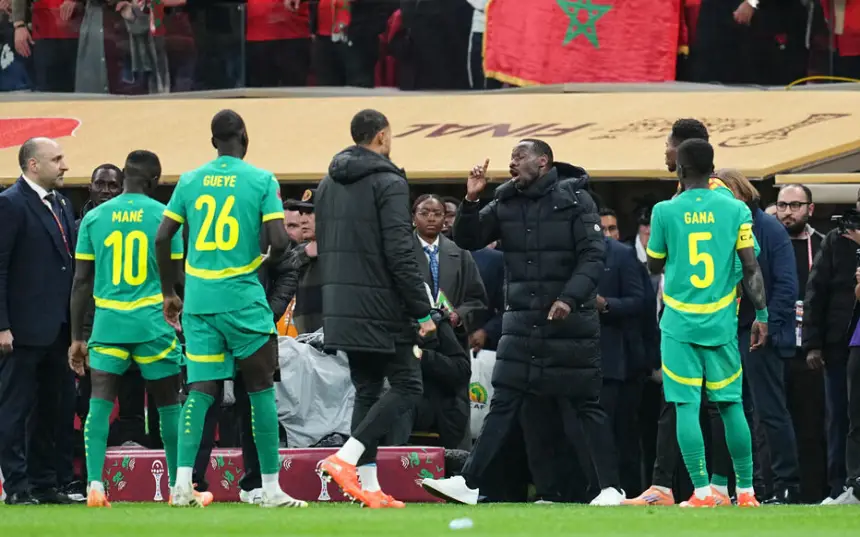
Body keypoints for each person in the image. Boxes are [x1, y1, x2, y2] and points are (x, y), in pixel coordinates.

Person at [422, 139, 625, 506]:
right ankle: (468, 484)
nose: (511, 163)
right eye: (511, 157)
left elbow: (594, 256)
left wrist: (569, 297)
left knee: (585, 405)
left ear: (543, 162)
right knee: (504, 402)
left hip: (570, 325)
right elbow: (468, 239)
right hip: (521, 324)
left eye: (519, 157)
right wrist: (470, 201)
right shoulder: (505, 200)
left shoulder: (577, 199)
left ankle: (611, 487)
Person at [155, 109, 304, 508]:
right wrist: (260, 261)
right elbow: (278, 239)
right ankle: (269, 488)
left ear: (213, 141)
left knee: (200, 392)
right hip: (242, 298)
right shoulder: (260, 179)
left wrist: (171, 291)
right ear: (244, 136)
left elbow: (163, 236)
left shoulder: (189, 180)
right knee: (259, 392)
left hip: (200, 302)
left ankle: (182, 484)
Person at [67, 150, 203, 508]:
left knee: (98, 402)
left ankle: (95, 485)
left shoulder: (94, 218)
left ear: (124, 176)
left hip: (108, 324)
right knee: (168, 405)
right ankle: (178, 488)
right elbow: (177, 277)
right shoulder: (164, 216)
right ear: (155, 181)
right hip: (152, 324)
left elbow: (81, 282)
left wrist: (77, 338)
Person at [315, 109, 435, 509]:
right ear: (382, 136)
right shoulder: (389, 180)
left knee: (367, 389)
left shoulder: (327, 182)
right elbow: (400, 251)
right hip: (382, 304)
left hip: (341, 304)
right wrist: (422, 310)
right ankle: (346, 459)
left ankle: (368, 485)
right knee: (408, 385)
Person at [645, 139, 767, 508]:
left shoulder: (665, 210)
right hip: (722, 322)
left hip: (680, 322)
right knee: (730, 406)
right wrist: (761, 315)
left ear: (680, 170)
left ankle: (701, 492)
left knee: (686, 406)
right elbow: (750, 266)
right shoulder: (735, 209)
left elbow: (653, 265)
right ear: (712, 168)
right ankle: (745, 492)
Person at [707, 169, 800, 504]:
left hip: (758, 331)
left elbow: (787, 284)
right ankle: (753, 487)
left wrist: (769, 324)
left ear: (739, 194)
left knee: (769, 411)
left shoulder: (768, 227)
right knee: (737, 412)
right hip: (730, 330)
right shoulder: (729, 227)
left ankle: (786, 485)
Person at [0, 137, 76, 505]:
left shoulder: (61, 203)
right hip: (21, 330)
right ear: (33, 165)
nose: (64, 166)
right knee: (14, 410)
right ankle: (15, 486)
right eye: (57, 159)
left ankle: (44, 483)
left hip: (58, 329)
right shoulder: (9, 204)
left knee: (52, 409)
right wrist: (1, 325)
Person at [802, 188, 860, 504]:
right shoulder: (836, 241)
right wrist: (812, 344)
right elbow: (816, 293)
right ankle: (840, 486)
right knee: (839, 416)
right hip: (840, 342)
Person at [775, 184, 828, 503]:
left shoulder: (824, 245)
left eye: (795, 205)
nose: (788, 212)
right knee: (772, 422)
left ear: (810, 209)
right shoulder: (765, 244)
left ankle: (813, 493)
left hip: (810, 350)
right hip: (773, 346)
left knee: (811, 425)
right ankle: (775, 488)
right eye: (782, 205)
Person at [597, 208, 647, 497]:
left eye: (611, 228)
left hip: (618, 361)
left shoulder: (622, 255)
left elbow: (638, 302)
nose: (606, 233)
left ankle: (627, 490)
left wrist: (605, 305)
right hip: (576, 359)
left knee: (622, 435)